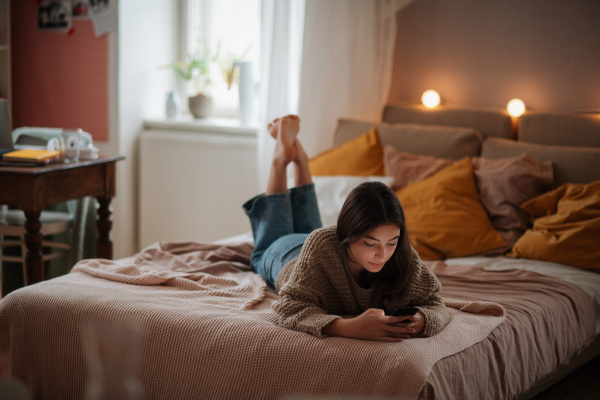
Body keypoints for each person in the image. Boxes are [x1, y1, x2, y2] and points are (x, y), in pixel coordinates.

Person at [243, 115, 450, 342]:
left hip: (316, 246)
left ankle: (301, 160)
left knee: (315, 232)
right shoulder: (323, 243)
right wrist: (348, 327)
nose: (383, 255)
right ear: (348, 235)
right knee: (265, 250)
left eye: (391, 242)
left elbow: (436, 304)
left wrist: (422, 320)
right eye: (370, 243)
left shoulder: (402, 254)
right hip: (289, 255)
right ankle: (281, 160)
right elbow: (288, 307)